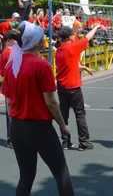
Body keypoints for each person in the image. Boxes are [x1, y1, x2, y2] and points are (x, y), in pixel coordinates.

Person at [1, 21, 74, 195]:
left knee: (26, 176)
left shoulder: (12, 66)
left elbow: (9, 101)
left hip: (17, 127)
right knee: (61, 173)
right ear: (37, 42)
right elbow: (51, 102)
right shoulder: (41, 65)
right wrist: (63, 126)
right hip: (39, 128)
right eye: (43, 38)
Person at [55, 24, 101, 151]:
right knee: (80, 114)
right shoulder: (72, 47)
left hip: (61, 86)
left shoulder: (59, 50)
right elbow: (87, 37)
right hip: (73, 86)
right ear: (70, 36)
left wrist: (83, 67)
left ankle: (65, 141)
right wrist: (96, 28)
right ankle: (84, 142)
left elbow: (69, 64)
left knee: (64, 114)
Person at [0, 30, 19, 148]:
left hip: (9, 85)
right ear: (8, 40)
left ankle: (11, 138)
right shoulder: (9, 52)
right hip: (12, 85)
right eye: (15, 39)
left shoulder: (6, 52)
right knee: (12, 113)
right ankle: (12, 138)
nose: (17, 42)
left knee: (11, 112)